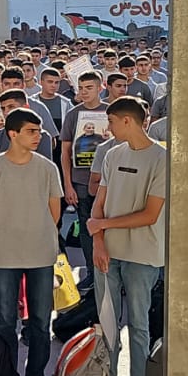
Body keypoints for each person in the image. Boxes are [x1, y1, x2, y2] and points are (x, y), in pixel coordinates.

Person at [86, 96, 168, 376]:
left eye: (111, 122)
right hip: (108, 252)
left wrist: (102, 226)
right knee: (107, 322)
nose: (108, 128)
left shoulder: (162, 158)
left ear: (127, 121)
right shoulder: (112, 154)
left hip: (143, 254)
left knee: (139, 324)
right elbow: (99, 203)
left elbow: (150, 214)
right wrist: (98, 242)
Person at [0, 108, 63, 376]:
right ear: (12, 134)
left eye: (39, 131)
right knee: (4, 322)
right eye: (31, 131)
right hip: (5, 256)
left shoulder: (47, 168)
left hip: (41, 255)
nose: (38, 136)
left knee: (40, 321)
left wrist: (39, 235)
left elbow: (55, 212)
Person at [61, 71, 107, 277]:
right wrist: (68, 185)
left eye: (89, 87)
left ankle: (109, 272)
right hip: (80, 181)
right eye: (81, 88)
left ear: (100, 87)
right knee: (87, 227)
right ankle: (91, 271)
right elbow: (65, 152)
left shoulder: (109, 111)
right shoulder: (73, 115)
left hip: (107, 180)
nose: (85, 91)